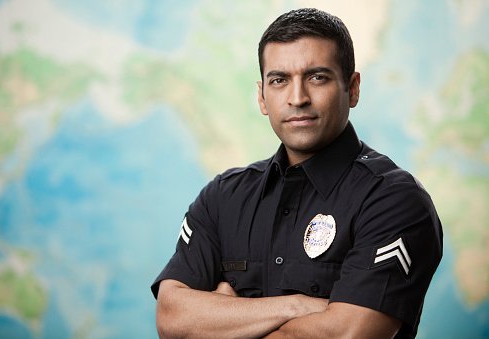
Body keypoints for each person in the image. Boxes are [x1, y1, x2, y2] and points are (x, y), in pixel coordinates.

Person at [151, 8, 442, 338]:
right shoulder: (223, 198)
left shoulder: (393, 200)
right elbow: (172, 317)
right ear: (262, 96)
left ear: (353, 87)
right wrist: (297, 306)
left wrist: (220, 322)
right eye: (279, 80)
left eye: (317, 77)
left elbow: (347, 334)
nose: (297, 98)